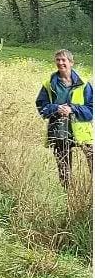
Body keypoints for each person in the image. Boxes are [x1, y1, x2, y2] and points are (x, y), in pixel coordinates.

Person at [36, 49, 93, 189]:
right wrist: (56, 108)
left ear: (71, 63)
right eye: (58, 60)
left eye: (64, 60)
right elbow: (41, 106)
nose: (60, 63)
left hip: (82, 131)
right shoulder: (48, 84)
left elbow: (91, 110)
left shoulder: (84, 84)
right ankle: (68, 195)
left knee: (92, 160)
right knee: (64, 167)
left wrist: (72, 109)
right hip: (58, 130)